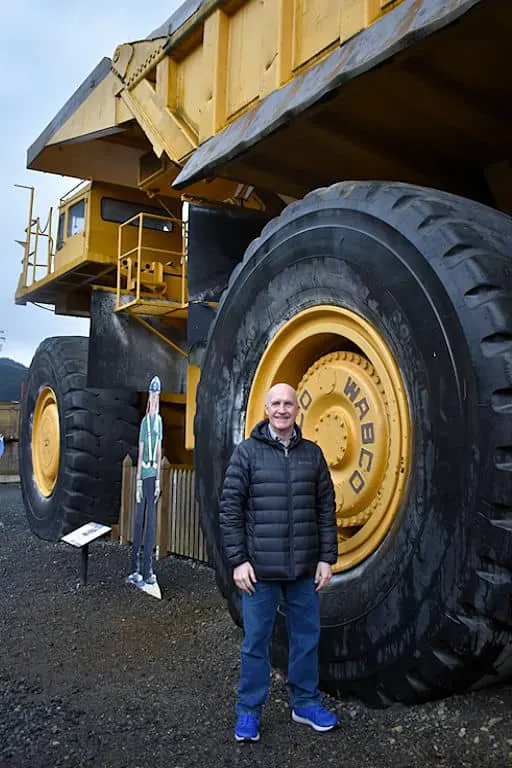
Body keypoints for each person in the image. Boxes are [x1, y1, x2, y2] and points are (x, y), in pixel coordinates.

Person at [220, 382, 339, 742]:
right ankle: (248, 713)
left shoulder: (313, 455)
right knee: (256, 642)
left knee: (306, 638)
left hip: (304, 570)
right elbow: (229, 509)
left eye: (289, 403)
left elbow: (325, 510)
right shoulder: (246, 454)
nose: (283, 410)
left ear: (297, 408)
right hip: (260, 571)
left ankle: (304, 703)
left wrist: (326, 559)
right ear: (267, 408)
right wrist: (239, 561)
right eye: (276, 404)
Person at [126, 375, 162, 587]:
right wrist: (138, 480)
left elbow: (158, 451)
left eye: (157, 396)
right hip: (144, 475)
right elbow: (141, 452)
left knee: (150, 525)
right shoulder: (144, 423)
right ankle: (134, 568)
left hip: (153, 476)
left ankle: (148, 570)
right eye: (152, 397)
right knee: (139, 522)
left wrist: (157, 481)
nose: (154, 401)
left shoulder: (158, 422)